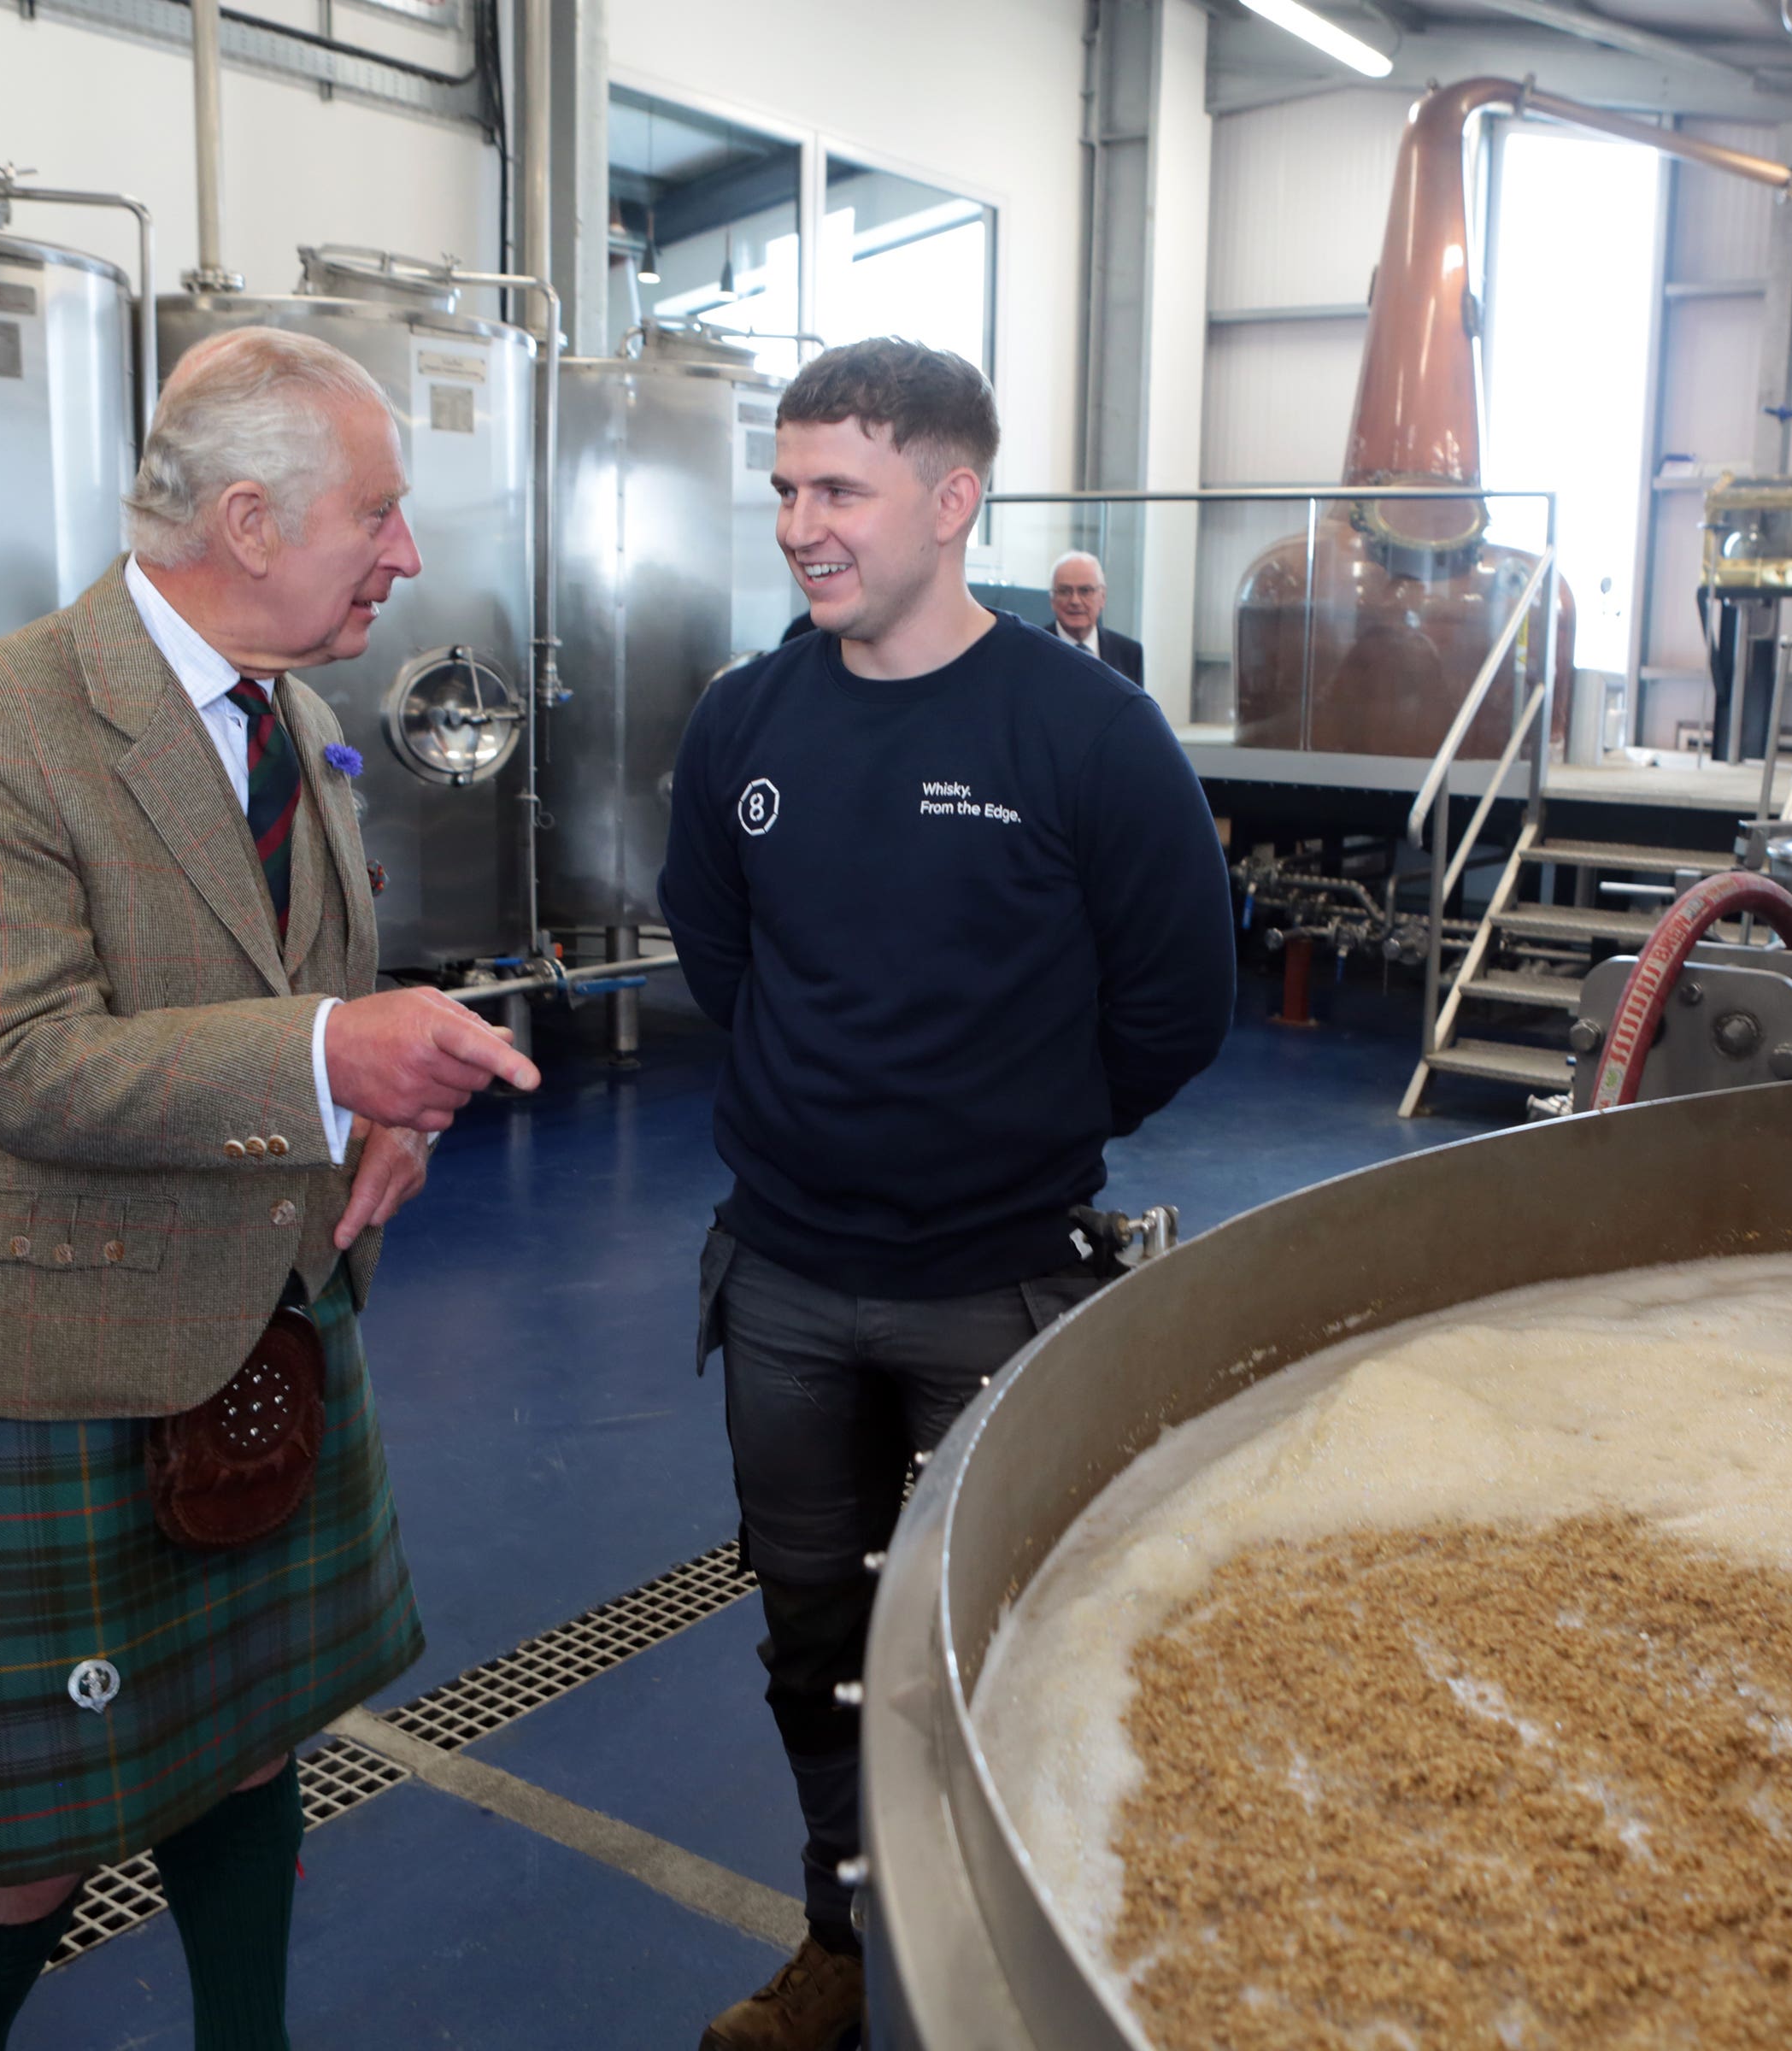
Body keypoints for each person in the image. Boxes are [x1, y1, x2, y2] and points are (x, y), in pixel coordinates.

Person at [0, 326, 538, 2050]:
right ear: (248, 519)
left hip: (270, 1327)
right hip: (61, 1350)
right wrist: (328, 1064)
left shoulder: (294, 713)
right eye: (378, 515)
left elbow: (308, 977)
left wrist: (384, 1123)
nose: (410, 553)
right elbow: (18, 1064)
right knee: (27, 1840)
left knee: (251, 1737)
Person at [661, 338, 1236, 2050]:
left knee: (996, 1642)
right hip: (781, 1278)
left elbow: (1177, 1005)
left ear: (952, 498)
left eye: (837, 489)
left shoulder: (1085, 732)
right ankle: (846, 1944)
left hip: (996, 1285)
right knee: (812, 1636)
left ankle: (1011, 1967)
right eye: (784, 489)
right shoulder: (744, 721)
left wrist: (1007, 1129)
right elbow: (722, 959)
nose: (798, 527)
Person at [1047, 548, 1143, 688]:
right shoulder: (1031, 650)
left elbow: (1137, 709)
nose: (1075, 601)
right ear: (1052, 599)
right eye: (1065, 591)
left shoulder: (1129, 654)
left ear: (1103, 597)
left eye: (1085, 591)